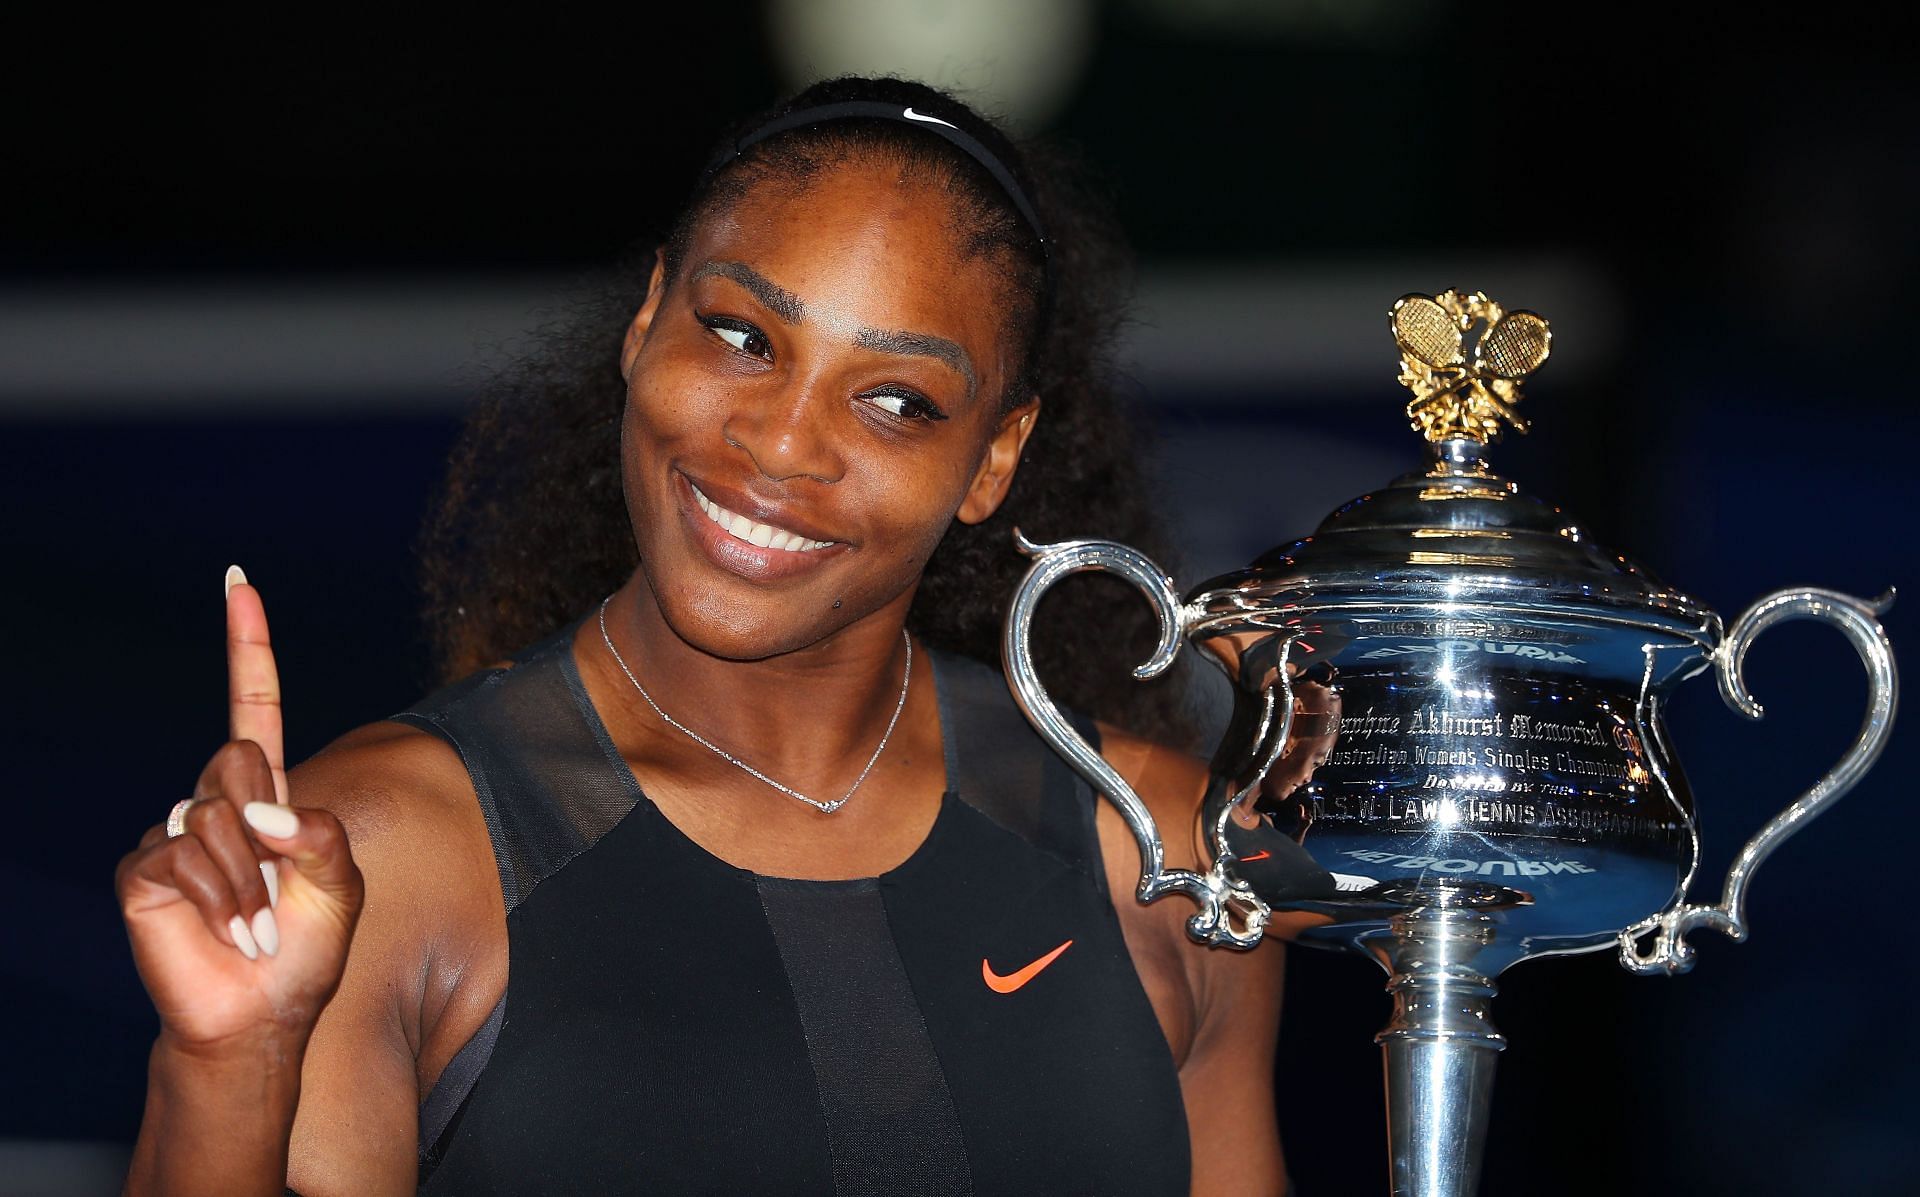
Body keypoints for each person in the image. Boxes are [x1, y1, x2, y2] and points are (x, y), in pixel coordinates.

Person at [115, 76, 1291, 1196]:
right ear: (645, 324)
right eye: (742, 336)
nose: (781, 445)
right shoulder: (382, 857)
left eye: (896, 401)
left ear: (992, 458)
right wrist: (228, 1066)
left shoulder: (1166, 857)